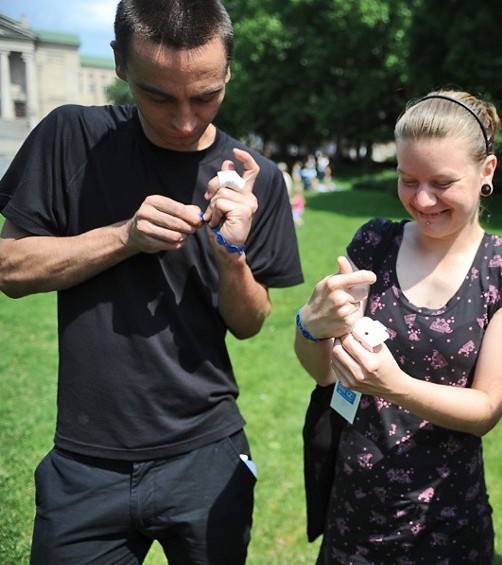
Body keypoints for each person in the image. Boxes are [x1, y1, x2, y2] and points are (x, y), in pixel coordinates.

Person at [0, 1, 303, 562]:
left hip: (208, 453)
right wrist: (124, 236)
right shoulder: (73, 136)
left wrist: (232, 251)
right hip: (88, 461)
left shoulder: (254, 176)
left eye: (206, 94)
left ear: (229, 70)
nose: (185, 120)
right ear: (120, 63)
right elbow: (9, 269)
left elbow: (251, 322)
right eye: (159, 95)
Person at [294, 90, 502, 563]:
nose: (422, 199)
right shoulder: (373, 242)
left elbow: (488, 407)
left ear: (486, 171)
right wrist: (310, 327)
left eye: (441, 182)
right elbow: (323, 373)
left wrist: (395, 386)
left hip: (445, 522)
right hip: (355, 510)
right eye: (407, 180)